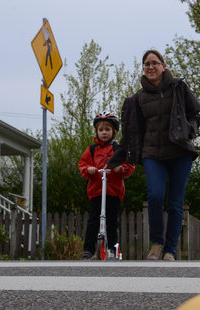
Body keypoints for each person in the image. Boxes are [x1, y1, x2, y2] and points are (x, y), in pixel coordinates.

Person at [107, 50, 200, 261]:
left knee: (175, 203)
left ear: (164, 66)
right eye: (146, 64)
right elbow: (131, 133)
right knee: (155, 196)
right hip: (152, 154)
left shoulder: (179, 88)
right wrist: (116, 159)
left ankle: (170, 250)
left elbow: (195, 114)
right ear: (143, 68)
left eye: (155, 63)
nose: (150, 67)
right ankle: (157, 244)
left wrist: (190, 131)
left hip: (180, 153)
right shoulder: (138, 99)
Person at [79, 112, 135, 260]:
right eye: (101, 130)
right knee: (93, 221)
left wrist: (120, 168)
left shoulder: (119, 149)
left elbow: (130, 164)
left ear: (114, 132)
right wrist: (88, 169)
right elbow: (82, 164)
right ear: (97, 132)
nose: (104, 132)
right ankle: (89, 250)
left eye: (107, 129)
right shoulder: (91, 149)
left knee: (111, 221)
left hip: (113, 191)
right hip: (96, 191)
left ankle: (112, 248)